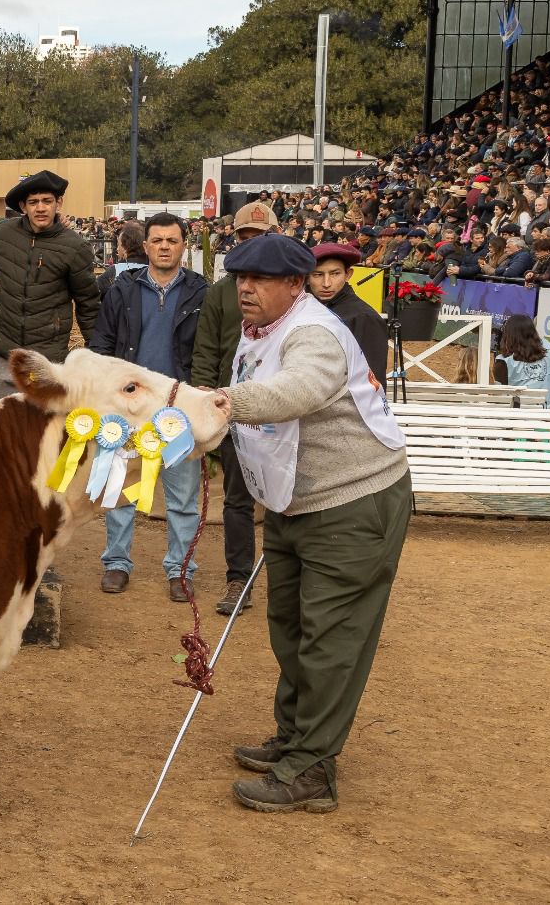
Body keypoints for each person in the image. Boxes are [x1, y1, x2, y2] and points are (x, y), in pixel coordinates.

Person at [217, 234, 412, 815]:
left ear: (294, 285)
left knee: (330, 637)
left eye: (258, 280)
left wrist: (219, 402)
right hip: (294, 502)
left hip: (352, 502)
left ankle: (312, 769)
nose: (244, 289)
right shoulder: (262, 329)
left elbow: (296, 390)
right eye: (238, 278)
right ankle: (296, 737)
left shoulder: (315, 334)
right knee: (290, 626)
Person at [87, 213, 208, 601]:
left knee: (183, 497)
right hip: (129, 408)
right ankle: (116, 563)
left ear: (183, 245)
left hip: (178, 408)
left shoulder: (201, 292)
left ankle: (180, 569)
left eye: (172, 241)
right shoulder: (122, 290)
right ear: (146, 245)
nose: (164, 247)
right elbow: (102, 342)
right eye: (157, 241)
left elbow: (209, 349)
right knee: (121, 488)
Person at [192, 201, 277, 615]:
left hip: (281, 409)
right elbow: (207, 347)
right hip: (234, 408)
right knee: (238, 500)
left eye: (260, 238)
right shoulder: (222, 291)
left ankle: (290, 582)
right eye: (245, 238)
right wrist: (206, 397)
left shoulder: (294, 290)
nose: (252, 244)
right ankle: (238, 580)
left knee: (289, 499)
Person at [0, 170, 100, 398]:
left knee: (44, 422)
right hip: (5, 348)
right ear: (23, 206)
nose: (40, 208)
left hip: (48, 353)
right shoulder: (2, 234)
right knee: (6, 420)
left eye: (47, 201)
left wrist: (95, 349)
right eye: (33, 202)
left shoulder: (74, 247)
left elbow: (87, 301)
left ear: (59, 202)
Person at [307, 243, 387, 382]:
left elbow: (372, 381)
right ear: (307, 277)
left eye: (335, 274)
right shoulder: (301, 308)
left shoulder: (363, 317)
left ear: (348, 275)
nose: (326, 283)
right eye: (318, 274)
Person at [492, 315, 550, 408]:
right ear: (533, 331)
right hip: (549, 414)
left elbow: (500, 397)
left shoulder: (503, 361)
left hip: (520, 418)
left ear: (508, 334)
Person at [99, 221, 147, 298]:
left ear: (125, 248)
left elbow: (94, 295)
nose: (117, 249)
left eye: (119, 245)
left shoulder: (114, 271)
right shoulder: (157, 269)